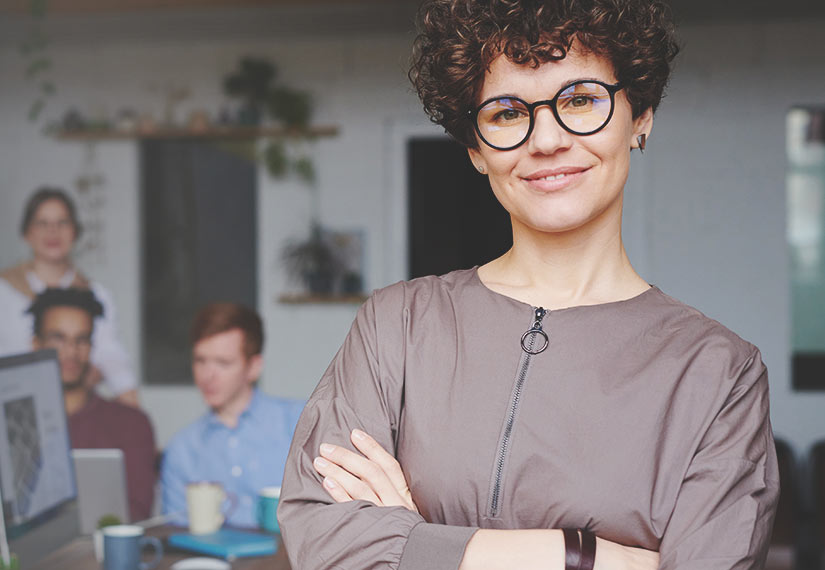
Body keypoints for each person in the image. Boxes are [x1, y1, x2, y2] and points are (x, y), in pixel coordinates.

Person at [279, 1, 779, 569]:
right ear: (476, 148)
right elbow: (325, 541)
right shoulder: (398, 325)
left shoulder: (719, 372)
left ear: (640, 116)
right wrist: (586, 556)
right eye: (508, 113)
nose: (546, 140)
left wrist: (413, 544)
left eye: (582, 100)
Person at [0, 288, 158, 522]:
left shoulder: (131, 424)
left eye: (81, 340)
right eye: (59, 339)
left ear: (91, 347)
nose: (71, 352)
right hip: (19, 554)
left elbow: (136, 514)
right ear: (36, 344)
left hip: (97, 554)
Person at [0, 187, 139, 415]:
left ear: (75, 232)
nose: (53, 232)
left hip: (72, 416)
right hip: (6, 413)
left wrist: (132, 409)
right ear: (27, 233)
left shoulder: (94, 295)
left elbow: (112, 359)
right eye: (42, 223)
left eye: (62, 223)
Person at [160, 303, 304, 529]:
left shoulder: (299, 422)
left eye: (223, 363)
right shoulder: (182, 449)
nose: (208, 375)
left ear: (254, 367)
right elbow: (177, 536)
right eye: (200, 360)